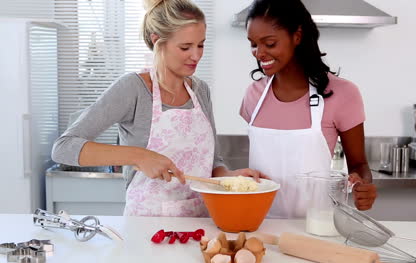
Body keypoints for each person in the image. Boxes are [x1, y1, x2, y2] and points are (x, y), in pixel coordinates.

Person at [52, 0, 262, 217]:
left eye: (200, 44)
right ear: (157, 41)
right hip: (147, 229)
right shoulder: (133, 88)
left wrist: (229, 178)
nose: (196, 55)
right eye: (185, 47)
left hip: (200, 223)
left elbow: (213, 161)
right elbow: (64, 148)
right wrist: (139, 156)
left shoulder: (200, 90)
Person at [239, 0, 377, 218]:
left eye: (270, 43)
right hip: (259, 226)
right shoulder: (253, 95)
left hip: (316, 228)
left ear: (297, 36)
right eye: (253, 44)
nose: (259, 53)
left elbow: (359, 165)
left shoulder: (343, 94)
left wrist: (363, 186)